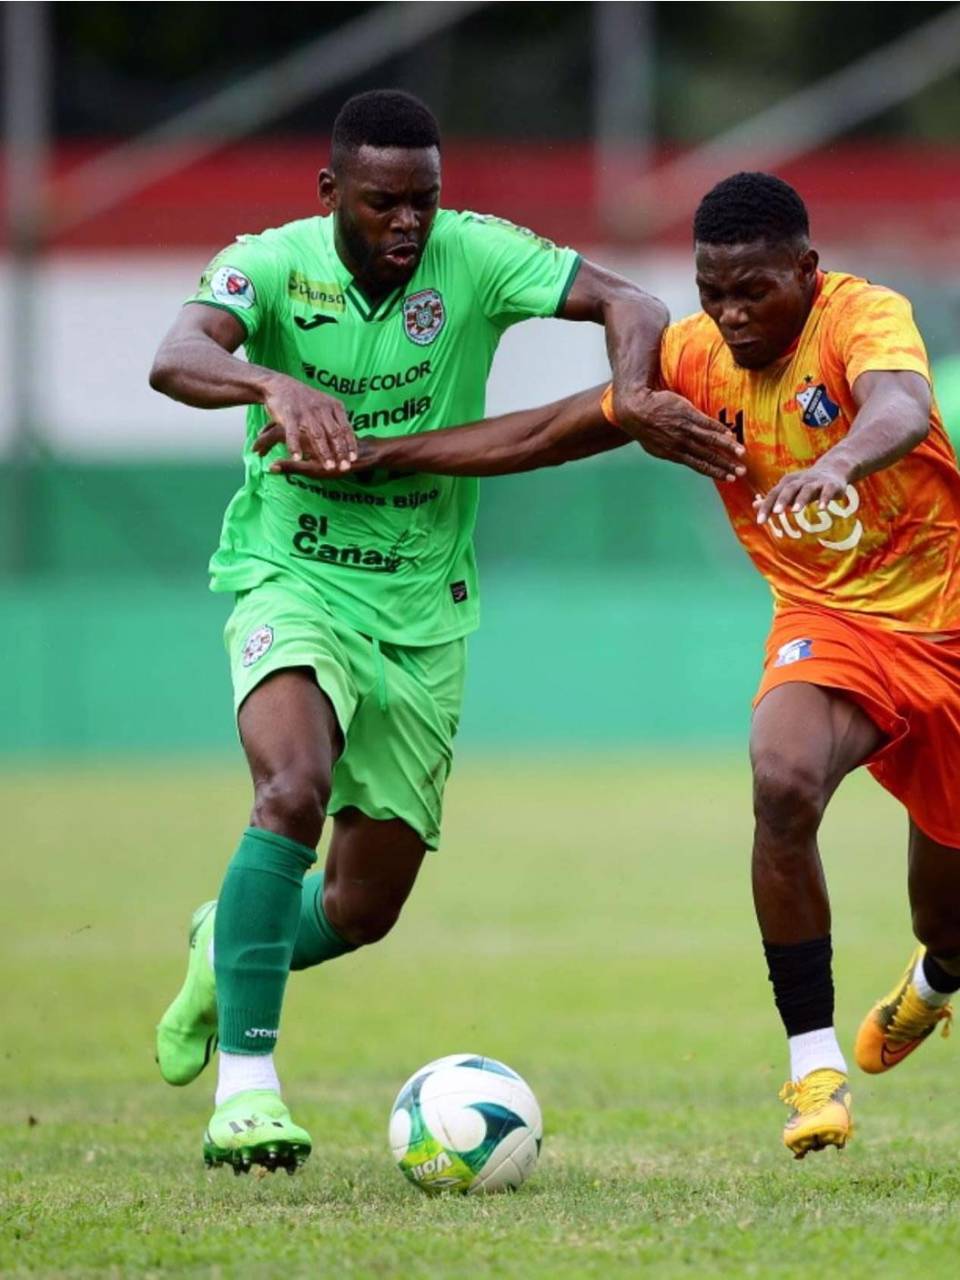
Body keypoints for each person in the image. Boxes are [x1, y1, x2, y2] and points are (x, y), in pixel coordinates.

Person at [269, 172, 960, 1160]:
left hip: (949, 628)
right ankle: (814, 1068)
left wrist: (841, 460)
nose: (727, 314)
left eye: (752, 291)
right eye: (710, 291)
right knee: (784, 778)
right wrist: (390, 452)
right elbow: (553, 430)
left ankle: (935, 980)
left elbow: (897, 406)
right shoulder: (691, 357)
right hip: (833, 625)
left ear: (806, 272)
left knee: (948, 913)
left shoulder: (862, 316)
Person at [148, 89, 742, 1175]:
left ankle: (218, 946)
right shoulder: (270, 264)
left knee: (364, 904)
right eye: (383, 204)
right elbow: (177, 353)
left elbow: (633, 302)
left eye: (425, 201)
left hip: (423, 608)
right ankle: (246, 1089)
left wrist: (628, 398)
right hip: (293, 574)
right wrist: (271, 382)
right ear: (331, 193)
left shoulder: (474, 254)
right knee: (291, 785)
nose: (409, 224)